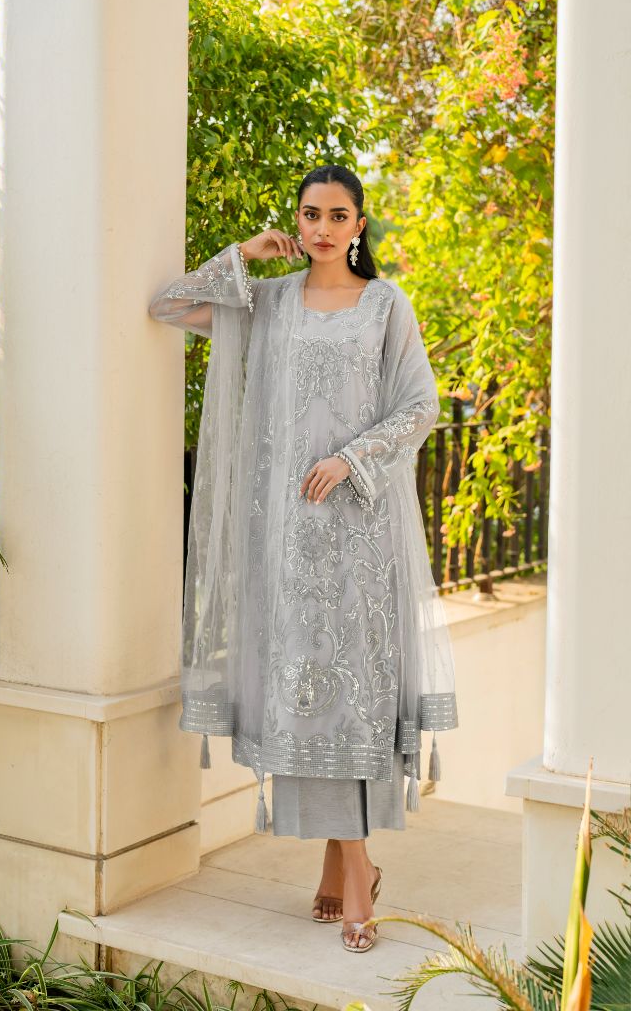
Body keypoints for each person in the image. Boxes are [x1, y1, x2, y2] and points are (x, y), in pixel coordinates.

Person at [149, 163, 458, 953]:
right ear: (297, 221)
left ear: (359, 225)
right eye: (311, 214)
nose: (322, 227)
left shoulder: (385, 305)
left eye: (338, 215)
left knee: (354, 701)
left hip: (359, 534)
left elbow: (420, 404)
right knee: (308, 697)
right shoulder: (272, 301)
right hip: (286, 539)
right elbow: (169, 305)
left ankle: (352, 873)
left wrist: (351, 459)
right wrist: (243, 256)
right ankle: (349, 865)